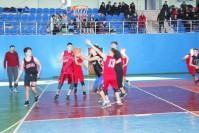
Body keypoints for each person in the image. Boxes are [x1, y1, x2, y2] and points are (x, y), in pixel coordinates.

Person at [86, 39, 122, 105]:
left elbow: (98, 51)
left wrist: (90, 44)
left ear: (111, 53)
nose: (109, 51)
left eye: (110, 51)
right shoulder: (113, 59)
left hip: (107, 76)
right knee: (115, 89)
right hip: (113, 75)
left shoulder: (106, 57)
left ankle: (106, 100)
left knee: (103, 88)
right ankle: (119, 100)